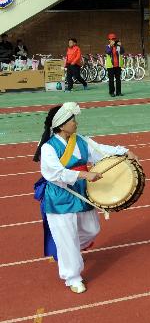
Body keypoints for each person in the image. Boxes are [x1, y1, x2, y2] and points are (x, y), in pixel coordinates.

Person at [33, 103, 139, 293]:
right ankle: (72, 277)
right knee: (67, 238)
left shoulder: (80, 140)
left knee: (92, 229)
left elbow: (101, 151)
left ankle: (68, 250)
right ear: (61, 125)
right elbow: (54, 173)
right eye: (72, 120)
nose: (76, 123)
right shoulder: (48, 148)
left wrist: (124, 152)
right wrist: (83, 175)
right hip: (60, 196)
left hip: (81, 192)